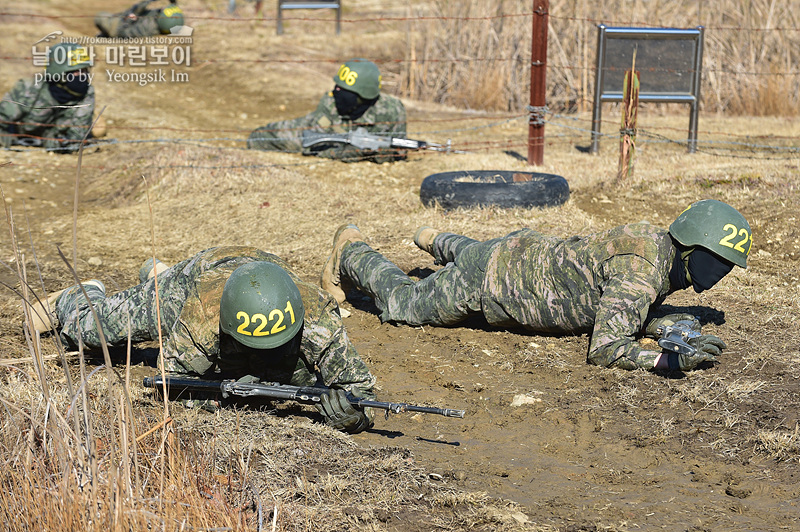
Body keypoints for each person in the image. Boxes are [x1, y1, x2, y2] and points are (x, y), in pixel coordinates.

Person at [321, 199, 752, 373]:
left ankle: (438, 241)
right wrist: (668, 363)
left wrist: (665, 325)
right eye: (719, 261)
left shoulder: (654, 240)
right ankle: (351, 251)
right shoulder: (641, 269)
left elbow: (613, 298)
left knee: (476, 253)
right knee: (402, 304)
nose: (722, 273)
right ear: (691, 246)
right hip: (492, 283)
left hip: (519, 252)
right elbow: (605, 348)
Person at [30, 246, 376, 434]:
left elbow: (360, 388)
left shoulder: (315, 315)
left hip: (262, 275)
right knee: (91, 332)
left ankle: (156, 272)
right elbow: (171, 381)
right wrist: (219, 398)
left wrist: (355, 416)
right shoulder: (199, 315)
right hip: (194, 282)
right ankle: (80, 295)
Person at [247, 58, 407, 163]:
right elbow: (316, 149)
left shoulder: (392, 110)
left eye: (345, 91)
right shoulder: (330, 104)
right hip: (315, 129)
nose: (337, 92)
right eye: (338, 88)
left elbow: (399, 152)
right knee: (259, 138)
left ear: (364, 95)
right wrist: (353, 153)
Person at [0, 43, 95, 153]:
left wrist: (58, 143)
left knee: (98, 129)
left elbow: (77, 138)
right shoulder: (28, 89)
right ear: (58, 73)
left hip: (47, 137)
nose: (82, 76)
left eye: (84, 70)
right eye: (76, 72)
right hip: (18, 132)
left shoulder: (86, 93)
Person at [95, 0, 185, 38]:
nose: (161, 9)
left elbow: (125, 30)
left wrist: (136, 11)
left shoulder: (146, 27)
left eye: (162, 11)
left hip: (119, 27)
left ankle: (103, 35)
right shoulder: (162, 24)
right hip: (124, 24)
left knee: (100, 16)